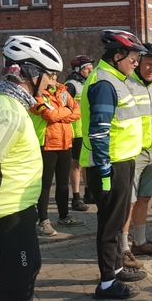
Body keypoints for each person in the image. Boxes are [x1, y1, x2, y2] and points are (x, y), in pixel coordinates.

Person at [0, 35, 63, 301]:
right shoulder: (6, 110)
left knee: (27, 274)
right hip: (9, 214)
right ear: (30, 72)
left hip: (18, 210)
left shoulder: (14, 106)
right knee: (16, 290)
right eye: (50, 75)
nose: (52, 83)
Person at [80, 29, 148, 299]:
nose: (136, 63)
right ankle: (107, 282)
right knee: (110, 224)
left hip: (122, 160)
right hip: (109, 165)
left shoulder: (115, 79)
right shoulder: (105, 84)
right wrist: (106, 173)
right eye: (133, 58)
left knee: (118, 220)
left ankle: (117, 268)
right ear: (117, 55)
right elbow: (99, 132)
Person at [120, 43, 152, 269]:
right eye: (149, 64)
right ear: (139, 64)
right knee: (128, 201)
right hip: (133, 152)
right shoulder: (127, 84)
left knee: (145, 198)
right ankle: (122, 248)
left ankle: (140, 241)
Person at [30, 71, 83, 237]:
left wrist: (62, 113)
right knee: (45, 184)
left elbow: (77, 111)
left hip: (65, 142)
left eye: (54, 76)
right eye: (49, 76)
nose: (53, 79)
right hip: (47, 143)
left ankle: (64, 216)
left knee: (62, 183)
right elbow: (50, 115)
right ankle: (43, 220)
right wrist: (66, 111)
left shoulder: (63, 91)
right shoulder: (36, 95)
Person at [65, 55, 96, 207]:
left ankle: (89, 193)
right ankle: (76, 197)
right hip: (76, 130)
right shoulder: (71, 85)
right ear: (78, 69)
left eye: (91, 67)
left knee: (87, 163)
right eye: (87, 67)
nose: (91, 69)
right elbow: (64, 107)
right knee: (77, 164)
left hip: (87, 129)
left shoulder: (88, 83)